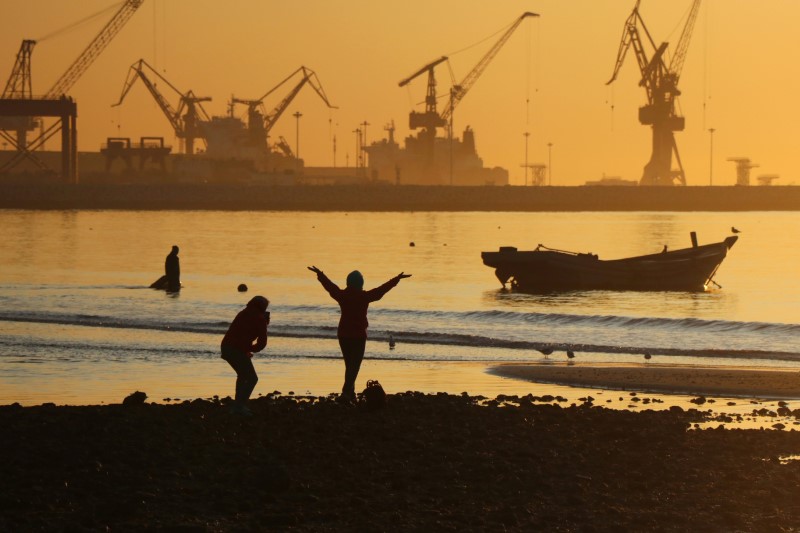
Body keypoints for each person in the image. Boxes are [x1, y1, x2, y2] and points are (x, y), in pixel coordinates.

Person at [308, 266, 411, 402]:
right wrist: (396, 280)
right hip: (358, 336)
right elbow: (381, 291)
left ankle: (351, 394)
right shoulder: (364, 296)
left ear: (348, 282)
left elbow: (330, 287)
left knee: (350, 365)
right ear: (360, 283)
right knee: (354, 366)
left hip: (343, 334)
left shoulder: (342, 295)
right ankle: (346, 392)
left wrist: (320, 275)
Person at [220, 295, 270, 415]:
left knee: (242, 375)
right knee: (252, 378)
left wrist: (246, 349)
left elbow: (241, 333)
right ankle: (239, 406)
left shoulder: (242, 313)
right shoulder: (260, 319)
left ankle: (238, 405)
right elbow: (262, 343)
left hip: (226, 347)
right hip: (236, 349)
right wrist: (251, 348)